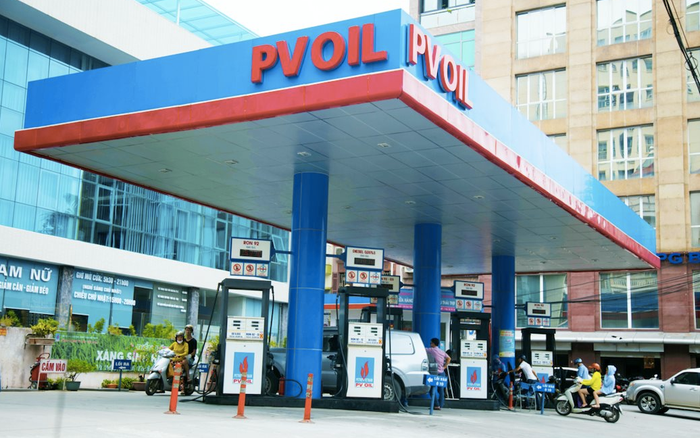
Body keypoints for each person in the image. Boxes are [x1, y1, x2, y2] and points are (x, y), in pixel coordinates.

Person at [425, 338, 451, 410]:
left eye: (431, 343)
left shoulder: (431, 350)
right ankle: (441, 405)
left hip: (434, 372)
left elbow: (423, 349)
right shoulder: (441, 351)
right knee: (441, 390)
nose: (430, 344)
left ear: (433, 344)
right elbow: (449, 358)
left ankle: (436, 405)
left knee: (431, 389)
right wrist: (445, 366)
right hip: (442, 372)